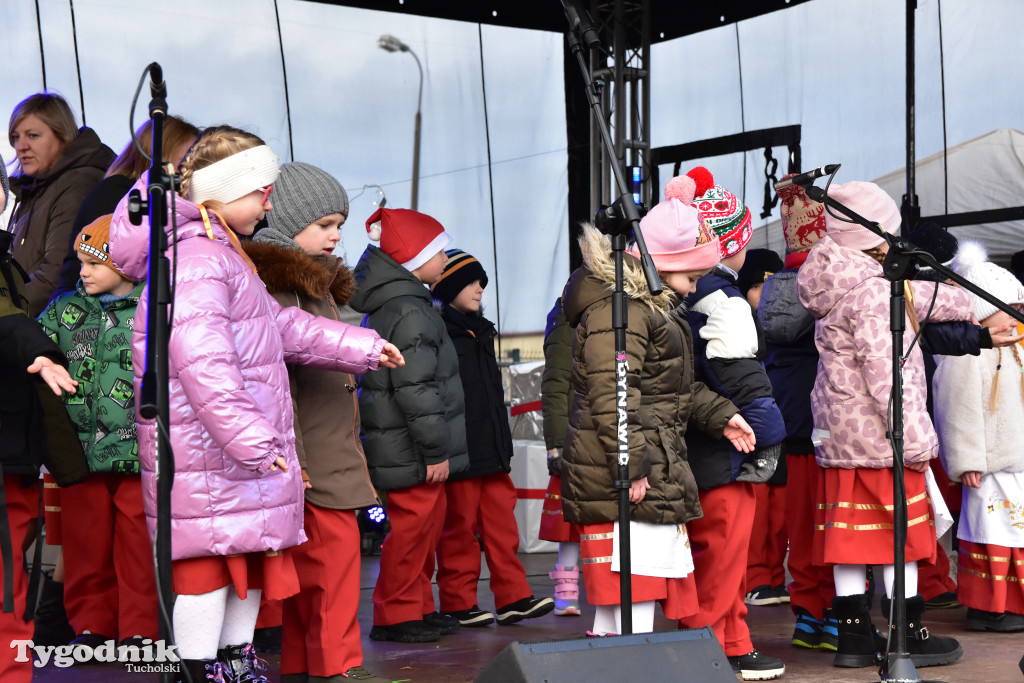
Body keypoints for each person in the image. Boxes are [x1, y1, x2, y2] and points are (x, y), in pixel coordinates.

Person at [107, 126, 403, 682]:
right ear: (224, 190)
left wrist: (359, 345)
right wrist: (254, 440)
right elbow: (203, 361)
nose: (269, 204)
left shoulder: (219, 250)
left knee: (242, 564)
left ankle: (233, 663)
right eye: (261, 192)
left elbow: (275, 325)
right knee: (208, 573)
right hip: (213, 455)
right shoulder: (197, 257)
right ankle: (198, 669)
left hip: (226, 457)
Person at [560, 193, 756, 645]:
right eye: (690, 277)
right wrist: (630, 464)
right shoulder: (622, 311)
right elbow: (613, 393)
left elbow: (670, 387)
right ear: (663, 265)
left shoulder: (650, 310)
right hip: (623, 474)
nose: (692, 288)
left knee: (633, 588)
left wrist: (721, 414)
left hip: (643, 467)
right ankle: (628, 665)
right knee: (631, 584)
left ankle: (617, 664)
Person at [796, 180, 967, 669]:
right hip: (882, 438)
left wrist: (975, 304)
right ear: (880, 235)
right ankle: (906, 635)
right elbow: (890, 374)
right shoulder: (872, 291)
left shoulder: (835, 277)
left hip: (841, 437)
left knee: (850, 541)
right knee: (901, 542)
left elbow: (922, 297)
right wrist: (916, 440)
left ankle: (852, 640)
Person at [243, 161, 390, 682]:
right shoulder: (281, 289)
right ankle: (338, 668)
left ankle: (309, 667)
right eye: (325, 224)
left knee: (315, 580)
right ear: (286, 220)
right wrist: (297, 458)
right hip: (315, 464)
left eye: (339, 225)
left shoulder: (310, 285)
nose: (335, 236)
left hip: (323, 457)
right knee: (332, 575)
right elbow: (275, 386)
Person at [670, 168, 787, 682]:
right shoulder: (727, 300)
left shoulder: (682, 294)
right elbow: (744, 378)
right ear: (734, 242)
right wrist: (768, 439)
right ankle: (709, 650)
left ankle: (733, 642)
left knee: (711, 553)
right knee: (721, 552)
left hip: (691, 439)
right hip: (727, 443)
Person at [349, 207, 469, 644]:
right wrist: (435, 450)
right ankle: (395, 614)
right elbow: (416, 388)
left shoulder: (406, 304)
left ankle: (417, 606)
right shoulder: (409, 310)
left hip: (406, 444)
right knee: (412, 531)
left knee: (424, 530)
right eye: (440, 252)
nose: (446, 259)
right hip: (410, 448)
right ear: (415, 258)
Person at [36, 215, 154, 656]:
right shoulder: (65, 309)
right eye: (81, 261)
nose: (82, 272)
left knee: (139, 548)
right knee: (84, 545)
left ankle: (140, 630)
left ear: (127, 262)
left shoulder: (155, 309)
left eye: (95, 263)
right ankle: (92, 626)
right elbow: (38, 346)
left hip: (137, 453)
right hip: (79, 453)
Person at [431, 249, 554, 627]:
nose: (480, 287)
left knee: (504, 527)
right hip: (462, 450)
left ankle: (513, 597)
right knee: (459, 530)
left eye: (481, 281)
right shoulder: (439, 334)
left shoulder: (481, 332)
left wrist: (502, 443)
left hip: (492, 449)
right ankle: (457, 602)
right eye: (470, 281)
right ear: (447, 287)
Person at [0, 155, 86, 682]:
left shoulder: (9, 262)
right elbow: (8, 323)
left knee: (13, 575)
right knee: (7, 581)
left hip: (13, 444)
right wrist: (38, 349)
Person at [758, 177, 838, 650]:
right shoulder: (829, 283)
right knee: (832, 520)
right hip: (826, 423)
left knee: (800, 524)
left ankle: (808, 614)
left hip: (789, 422)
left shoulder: (772, 289)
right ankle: (836, 614)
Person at [934, 241, 1024, 633]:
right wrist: (965, 459)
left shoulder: (1015, 349)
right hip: (987, 465)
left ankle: (1008, 605)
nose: (1018, 315)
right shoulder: (966, 356)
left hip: (1015, 461)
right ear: (984, 312)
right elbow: (956, 410)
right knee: (993, 533)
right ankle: (992, 608)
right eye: (1010, 308)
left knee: (1012, 532)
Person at [50, 115, 200, 298]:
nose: (190, 171)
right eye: (185, 162)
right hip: (81, 307)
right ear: (156, 156)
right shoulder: (116, 193)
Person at [7, 92, 115, 316]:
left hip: (51, 328)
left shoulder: (77, 185)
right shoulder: (36, 187)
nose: (21, 146)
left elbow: (54, 276)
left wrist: (6, 312)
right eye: (16, 137)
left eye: (33, 135)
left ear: (62, 137)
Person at [736, 248, 789, 609]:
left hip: (783, 422)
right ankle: (755, 578)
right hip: (751, 424)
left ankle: (774, 575)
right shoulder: (739, 320)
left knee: (780, 510)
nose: (764, 294)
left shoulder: (787, 323)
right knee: (757, 509)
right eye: (757, 287)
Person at [538, 295, 582, 616]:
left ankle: (575, 589)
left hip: (601, 426)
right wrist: (555, 444)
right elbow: (555, 384)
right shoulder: (566, 318)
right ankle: (566, 590)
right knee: (569, 517)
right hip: (575, 431)